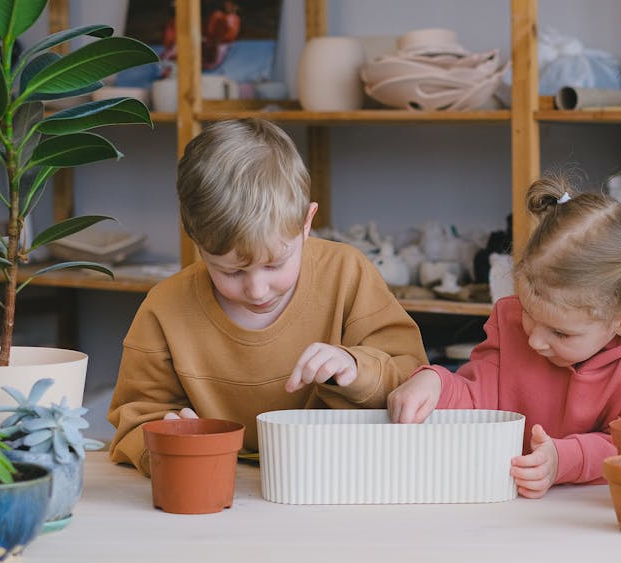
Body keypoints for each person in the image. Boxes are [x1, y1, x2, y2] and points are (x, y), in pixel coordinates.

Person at [108, 119, 428, 475]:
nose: (256, 289)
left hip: (336, 477)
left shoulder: (347, 273)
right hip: (217, 484)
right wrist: (166, 446)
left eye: (275, 264)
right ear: (194, 239)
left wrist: (357, 369)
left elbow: (413, 379)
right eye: (230, 271)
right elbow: (135, 421)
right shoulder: (164, 308)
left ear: (306, 223)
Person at [387, 176, 621, 498]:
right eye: (529, 313)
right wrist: (436, 384)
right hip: (527, 513)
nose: (534, 341)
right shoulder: (512, 322)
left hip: (619, 508)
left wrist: (564, 460)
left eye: (560, 332)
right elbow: (478, 400)